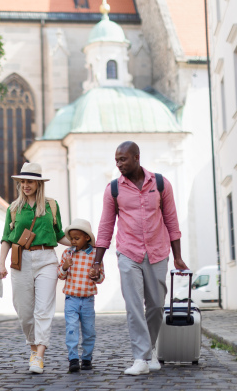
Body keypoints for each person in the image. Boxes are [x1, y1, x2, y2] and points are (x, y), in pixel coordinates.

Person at [90, 141, 189, 376]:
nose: (119, 164)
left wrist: (177, 257)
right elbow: (105, 227)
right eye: (116, 160)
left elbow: (172, 221)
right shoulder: (113, 189)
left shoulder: (161, 184)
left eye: (123, 159)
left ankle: (150, 350)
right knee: (134, 306)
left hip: (157, 252)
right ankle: (140, 358)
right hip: (128, 253)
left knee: (155, 305)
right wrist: (97, 261)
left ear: (136, 157)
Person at [0, 162, 70, 374]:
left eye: (30, 181)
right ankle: (33, 347)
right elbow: (6, 239)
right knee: (24, 311)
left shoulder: (51, 206)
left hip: (47, 258)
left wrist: (77, 242)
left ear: (38, 183)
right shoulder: (13, 208)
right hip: (21, 259)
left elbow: (59, 235)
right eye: (23, 181)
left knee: (43, 309)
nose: (25, 185)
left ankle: (39, 356)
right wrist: (1, 263)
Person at [57, 218, 104, 373]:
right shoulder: (67, 253)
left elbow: (102, 277)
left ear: (87, 238)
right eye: (71, 239)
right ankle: (73, 359)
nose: (73, 241)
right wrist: (64, 266)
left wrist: (95, 275)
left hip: (88, 299)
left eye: (77, 238)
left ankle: (87, 358)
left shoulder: (95, 255)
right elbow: (60, 275)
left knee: (89, 330)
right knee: (71, 329)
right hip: (71, 298)